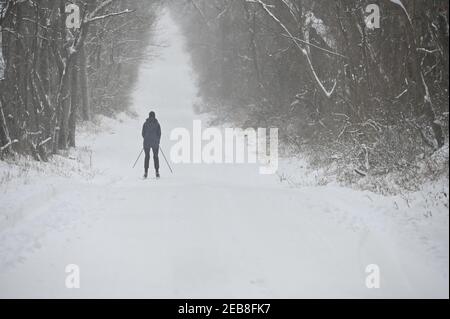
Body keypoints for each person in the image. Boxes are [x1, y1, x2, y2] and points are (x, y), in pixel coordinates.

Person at [142, 111, 161, 179]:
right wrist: (157, 141)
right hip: (155, 143)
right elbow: (159, 134)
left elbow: (143, 133)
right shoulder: (157, 124)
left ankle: (145, 172)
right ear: (154, 116)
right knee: (155, 157)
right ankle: (157, 172)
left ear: (149, 116)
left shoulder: (145, 123)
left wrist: (146, 139)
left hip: (146, 143)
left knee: (147, 157)